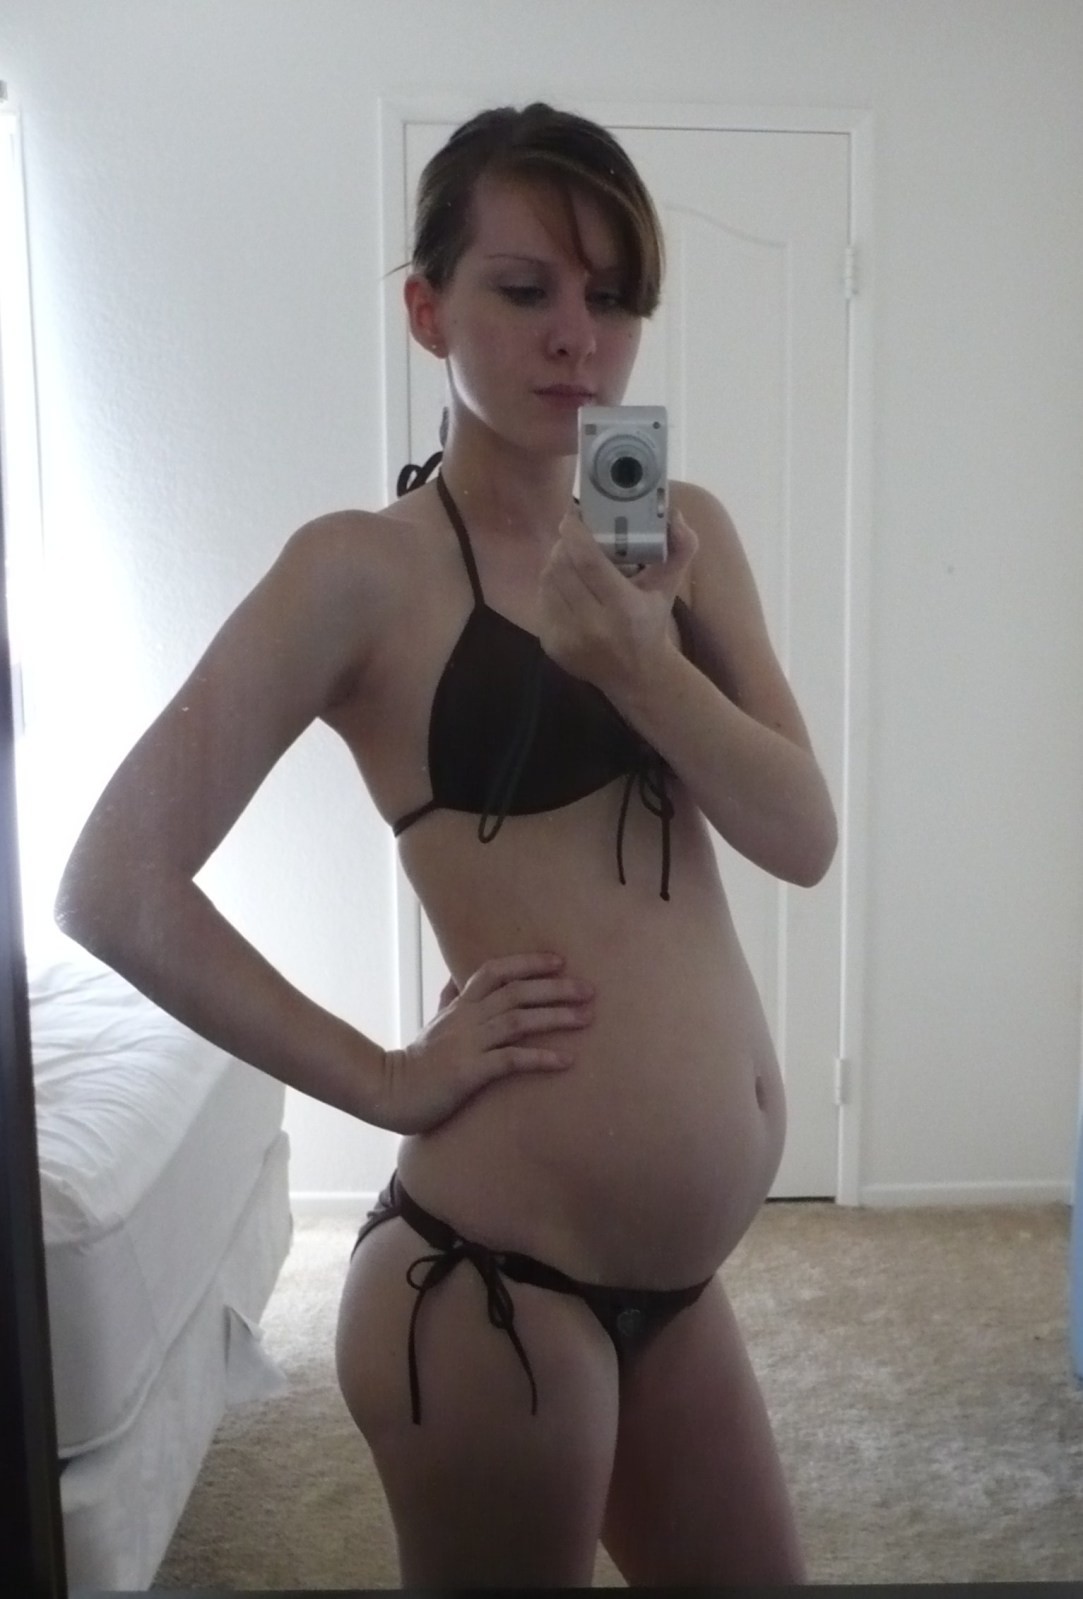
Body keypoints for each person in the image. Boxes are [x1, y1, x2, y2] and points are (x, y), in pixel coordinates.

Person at [56, 102, 837, 1588]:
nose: (578, 338)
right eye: (525, 288)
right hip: (490, 1291)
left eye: (614, 297)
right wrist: (386, 1079)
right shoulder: (359, 575)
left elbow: (801, 836)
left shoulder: (685, 538)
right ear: (428, 311)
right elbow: (113, 882)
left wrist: (644, 666)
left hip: (677, 1284)